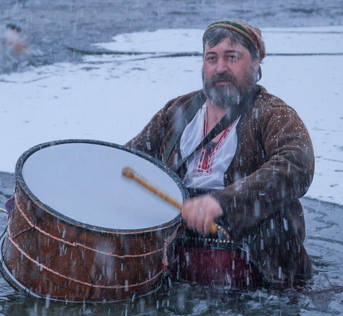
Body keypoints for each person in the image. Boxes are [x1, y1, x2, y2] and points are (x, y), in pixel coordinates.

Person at [127, 19, 315, 289]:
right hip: (176, 265)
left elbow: (297, 164)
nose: (220, 68)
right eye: (211, 58)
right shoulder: (177, 110)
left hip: (259, 274)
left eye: (232, 57)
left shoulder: (275, 114)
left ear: (256, 63)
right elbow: (131, 160)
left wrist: (223, 203)